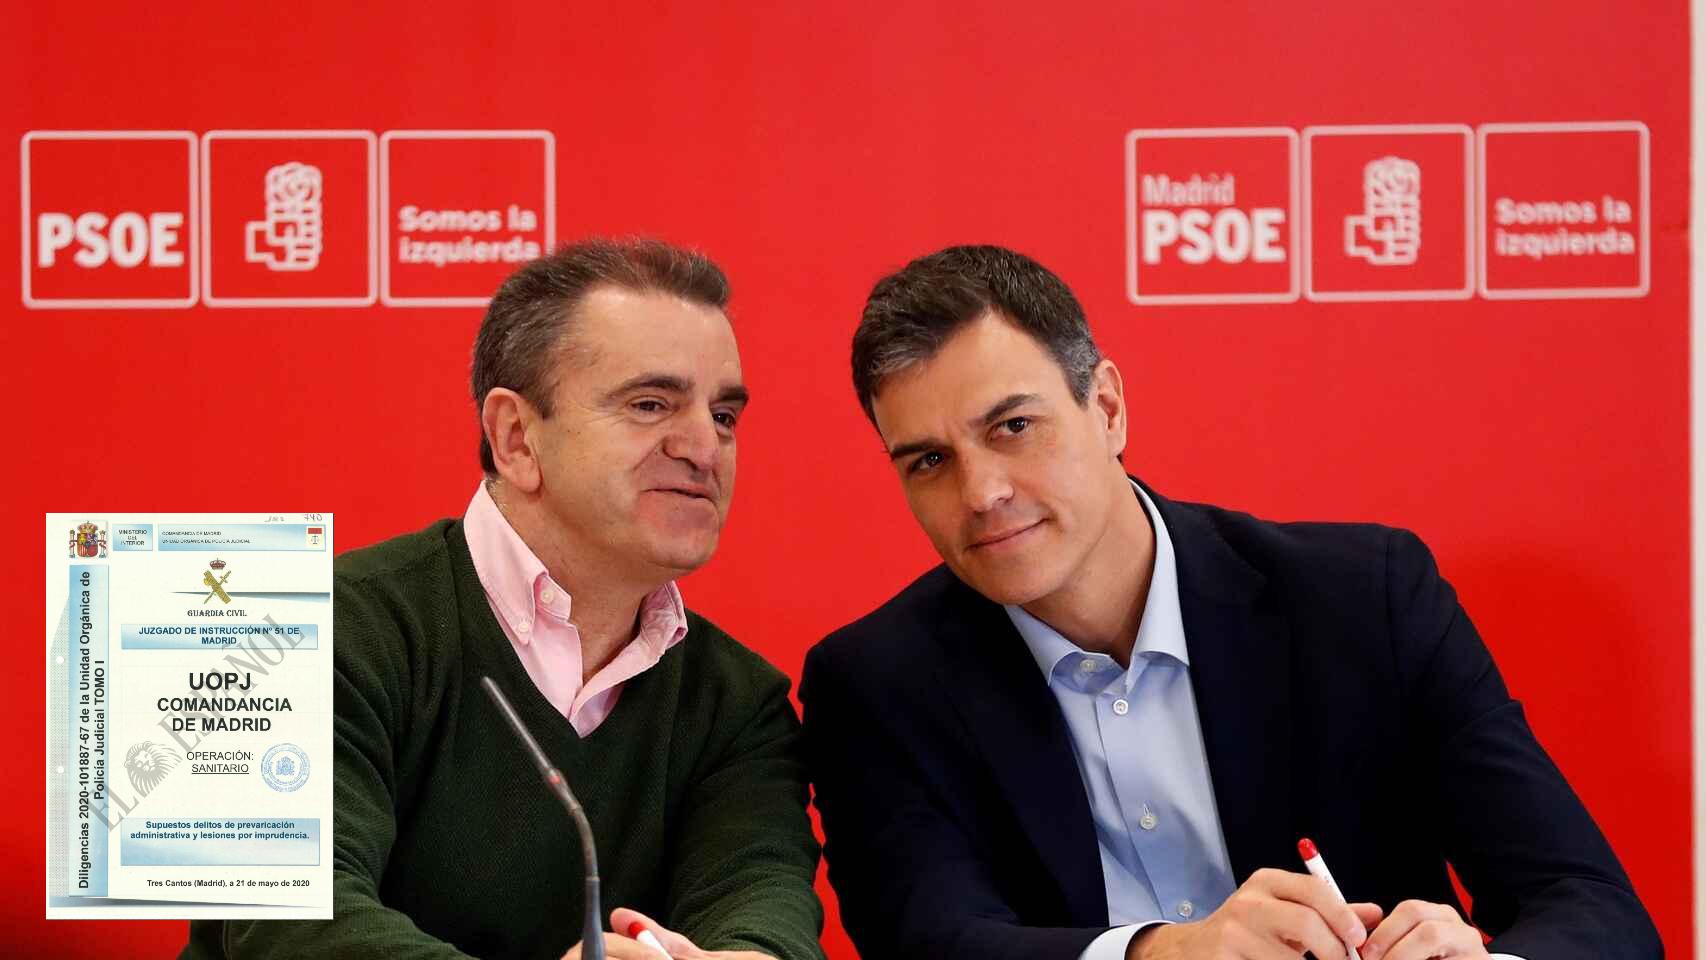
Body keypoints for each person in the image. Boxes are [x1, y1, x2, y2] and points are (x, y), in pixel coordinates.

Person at [799, 244, 1659, 960]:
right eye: (927, 462)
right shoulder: (875, 684)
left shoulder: (1365, 599)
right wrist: (1163, 952)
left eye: (1012, 427)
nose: (981, 491)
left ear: (1105, 406)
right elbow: (933, 943)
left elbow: (1592, 909)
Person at [184, 238, 824, 960]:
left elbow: (762, 910)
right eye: (651, 404)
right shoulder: (302, 628)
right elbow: (293, 924)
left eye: (725, 417)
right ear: (516, 437)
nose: (706, 448)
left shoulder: (740, 702)